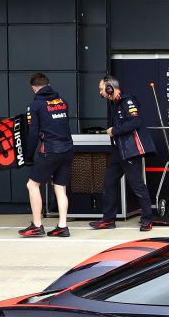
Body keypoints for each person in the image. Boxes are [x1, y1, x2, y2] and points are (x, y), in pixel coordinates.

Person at [90, 76, 155, 232]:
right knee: (108, 182)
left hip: (131, 151)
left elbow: (135, 122)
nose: (100, 92)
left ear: (110, 88)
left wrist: (114, 131)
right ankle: (108, 220)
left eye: (101, 89)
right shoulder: (115, 103)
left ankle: (147, 219)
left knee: (137, 185)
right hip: (119, 151)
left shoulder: (127, 101)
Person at [18, 73, 74, 237]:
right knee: (59, 187)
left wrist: (28, 156)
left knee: (32, 185)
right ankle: (62, 226)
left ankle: (37, 225)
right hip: (68, 148)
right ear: (48, 85)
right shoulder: (62, 102)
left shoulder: (35, 105)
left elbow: (34, 132)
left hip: (51, 150)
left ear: (34, 88)